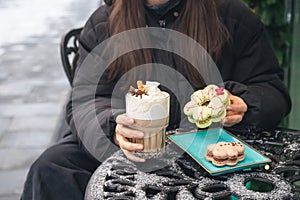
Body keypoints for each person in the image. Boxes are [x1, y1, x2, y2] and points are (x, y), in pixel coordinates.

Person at [21, 0, 291, 199]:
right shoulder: (104, 24)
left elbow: (272, 91)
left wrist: (246, 103)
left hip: (206, 152)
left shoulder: (233, 17)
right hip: (128, 151)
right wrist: (114, 126)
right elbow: (84, 101)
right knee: (51, 167)